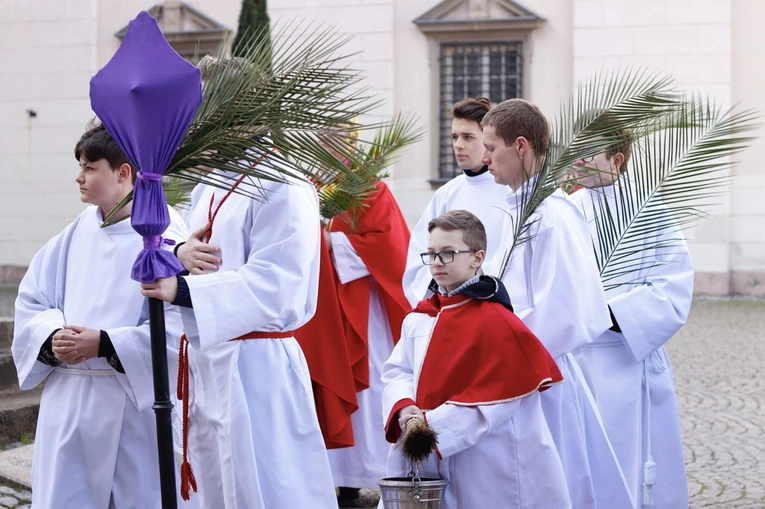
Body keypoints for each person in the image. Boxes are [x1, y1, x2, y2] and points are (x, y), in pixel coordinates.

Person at [139, 58, 337, 508]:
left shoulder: (284, 185)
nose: (195, 124)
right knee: (213, 485)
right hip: (212, 360)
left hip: (258, 367)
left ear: (242, 109)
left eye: (204, 111)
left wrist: (183, 289)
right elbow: (189, 247)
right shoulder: (211, 184)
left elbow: (278, 284)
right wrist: (177, 256)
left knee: (267, 484)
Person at [12, 123, 188, 508]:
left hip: (131, 404)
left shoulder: (164, 233)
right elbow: (32, 300)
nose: (79, 176)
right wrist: (52, 336)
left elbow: (181, 325)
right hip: (70, 401)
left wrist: (105, 344)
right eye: (80, 165)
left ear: (123, 173)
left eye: (90, 167)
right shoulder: (75, 232)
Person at [481, 99, 634, 508]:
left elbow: (566, 308)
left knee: (551, 485)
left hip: (539, 372)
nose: (484, 158)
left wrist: (501, 346)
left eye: (491, 148)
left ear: (521, 146)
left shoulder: (551, 214)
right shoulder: (521, 209)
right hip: (523, 367)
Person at [381, 210, 571, 509]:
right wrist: (406, 409)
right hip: (426, 444)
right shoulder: (420, 318)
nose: (436, 263)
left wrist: (430, 426)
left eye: (447, 253)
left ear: (477, 257)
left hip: (485, 459)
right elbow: (397, 371)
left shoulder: (498, 323)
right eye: (430, 254)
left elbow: (499, 401)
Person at [569, 128, 693, 508]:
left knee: (630, 463)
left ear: (617, 160)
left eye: (591, 152)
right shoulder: (566, 209)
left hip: (624, 355)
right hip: (576, 358)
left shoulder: (649, 209)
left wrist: (609, 313)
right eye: (578, 150)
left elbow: (673, 285)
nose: (580, 159)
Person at [322, 178, 412, 508]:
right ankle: (339, 480)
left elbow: (390, 246)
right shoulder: (305, 187)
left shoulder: (369, 187)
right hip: (322, 309)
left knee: (370, 388)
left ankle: (373, 474)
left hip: (366, 312)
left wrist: (333, 242)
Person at [403, 97, 508, 306]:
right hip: (451, 306)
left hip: (495, 305)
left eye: (468, 137)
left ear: (488, 140)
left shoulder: (509, 191)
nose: (458, 145)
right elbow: (418, 257)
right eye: (454, 137)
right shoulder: (445, 194)